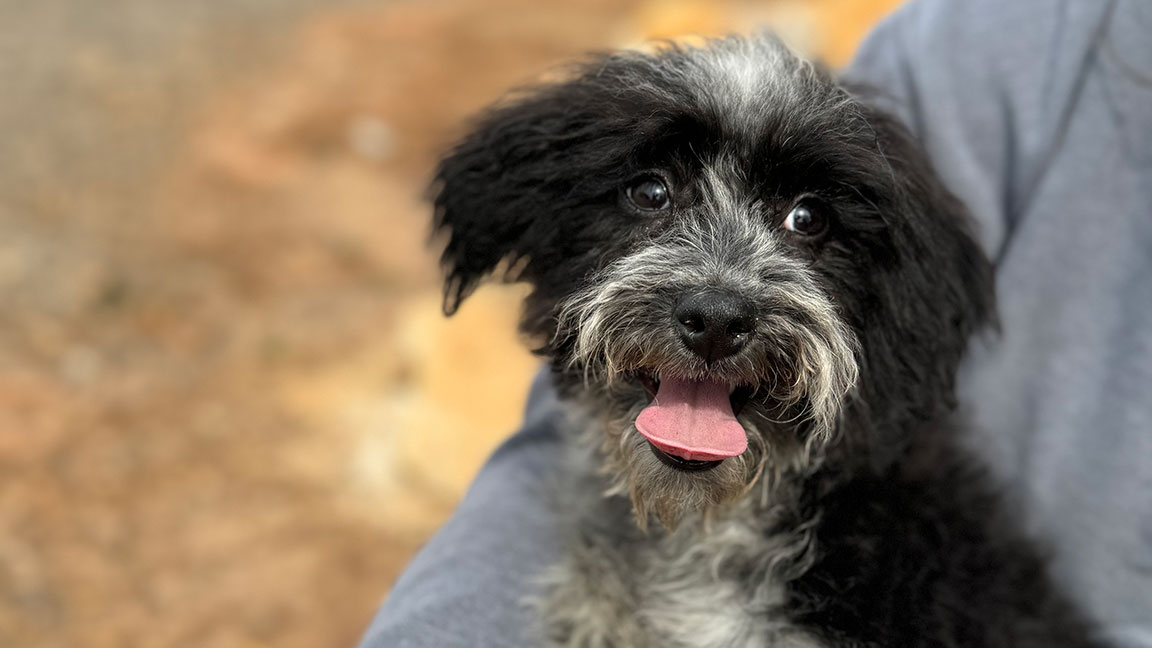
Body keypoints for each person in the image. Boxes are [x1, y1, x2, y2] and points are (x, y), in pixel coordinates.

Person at [360, 0, 1152, 645]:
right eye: (651, 196)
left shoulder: (914, 598)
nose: (718, 296)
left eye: (805, 221)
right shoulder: (998, 46)